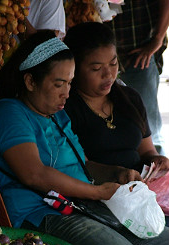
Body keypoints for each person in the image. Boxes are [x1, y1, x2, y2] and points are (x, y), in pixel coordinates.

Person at [0, 30, 169, 245]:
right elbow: (34, 174)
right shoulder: (9, 113)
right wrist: (98, 193)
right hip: (46, 216)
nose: (67, 93)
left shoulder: (56, 114)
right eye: (59, 84)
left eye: (69, 83)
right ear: (30, 81)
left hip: (83, 206)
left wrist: (114, 174)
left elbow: (82, 163)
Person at [63, 22, 169, 174]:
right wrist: (116, 175)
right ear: (74, 69)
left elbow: (147, 152)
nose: (108, 74)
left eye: (113, 63)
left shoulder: (130, 98)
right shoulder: (66, 109)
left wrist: (157, 160)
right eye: (96, 69)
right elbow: (77, 167)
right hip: (94, 192)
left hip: (139, 188)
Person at [108, 0, 169, 154]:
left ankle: (158, 175)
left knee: (149, 127)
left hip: (139, 50)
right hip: (99, 53)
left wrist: (157, 39)